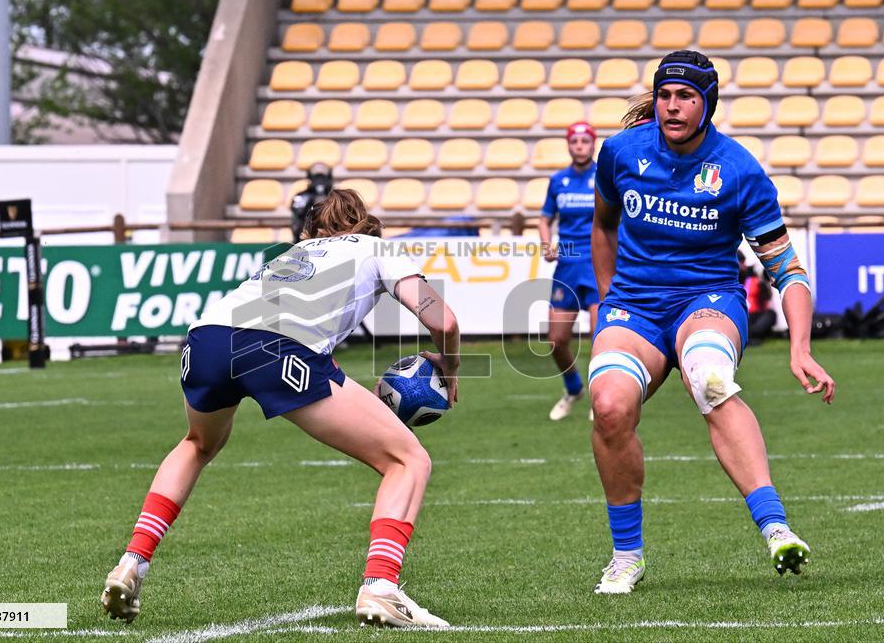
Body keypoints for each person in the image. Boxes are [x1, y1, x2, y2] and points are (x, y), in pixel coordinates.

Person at [101, 188, 460, 628]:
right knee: (409, 460)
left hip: (206, 339)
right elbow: (444, 321)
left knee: (197, 443)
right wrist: (451, 365)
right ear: (368, 226)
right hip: (279, 350)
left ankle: (132, 562)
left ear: (312, 229)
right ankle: (381, 587)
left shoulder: (290, 253)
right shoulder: (378, 249)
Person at [587, 50, 836, 595]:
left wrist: (800, 347)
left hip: (709, 301)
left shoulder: (739, 169)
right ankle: (627, 556)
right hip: (634, 306)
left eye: (686, 97)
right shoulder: (621, 153)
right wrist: (607, 303)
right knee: (608, 407)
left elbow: (787, 269)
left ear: (708, 103)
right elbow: (602, 226)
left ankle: (775, 528)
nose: (672, 108)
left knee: (710, 378)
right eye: (665, 96)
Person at [538, 122, 601, 421]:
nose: (579, 146)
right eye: (574, 141)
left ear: (593, 144)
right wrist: (546, 243)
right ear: (568, 145)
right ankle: (574, 388)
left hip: (599, 264)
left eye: (584, 141)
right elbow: (544, 218)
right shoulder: (558, 180)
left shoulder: (604, 176)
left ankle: (601, 398)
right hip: (567, 266)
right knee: (556, 340)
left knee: (599, 337)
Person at [290, 162, 334, 239]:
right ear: (310, 178)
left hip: (332, 236)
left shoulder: (336, 195)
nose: (319, 181)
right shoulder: (302, 196)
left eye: (323, 178)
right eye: (316, 177)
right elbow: (298, 212)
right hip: (306, 236)